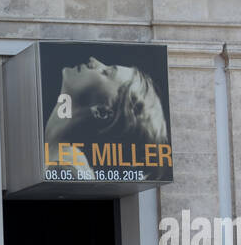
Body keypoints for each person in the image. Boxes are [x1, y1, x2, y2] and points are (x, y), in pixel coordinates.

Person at [43, 56, 171, 183]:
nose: (93, 61)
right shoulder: (58, 158)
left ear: (102, 112)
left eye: (106, 72)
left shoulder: (67, 171)